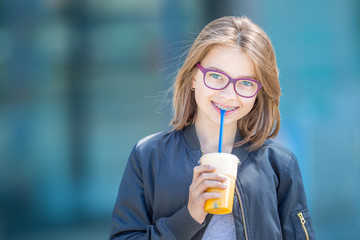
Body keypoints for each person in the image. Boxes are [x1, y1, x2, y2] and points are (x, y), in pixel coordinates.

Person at [110, 16, 315, 240]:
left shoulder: (280, 164)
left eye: (246, 82)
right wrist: (189, 217)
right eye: (216, 76)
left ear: (259, 92)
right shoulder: (148, 156)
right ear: (193, 77)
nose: (228, 95)